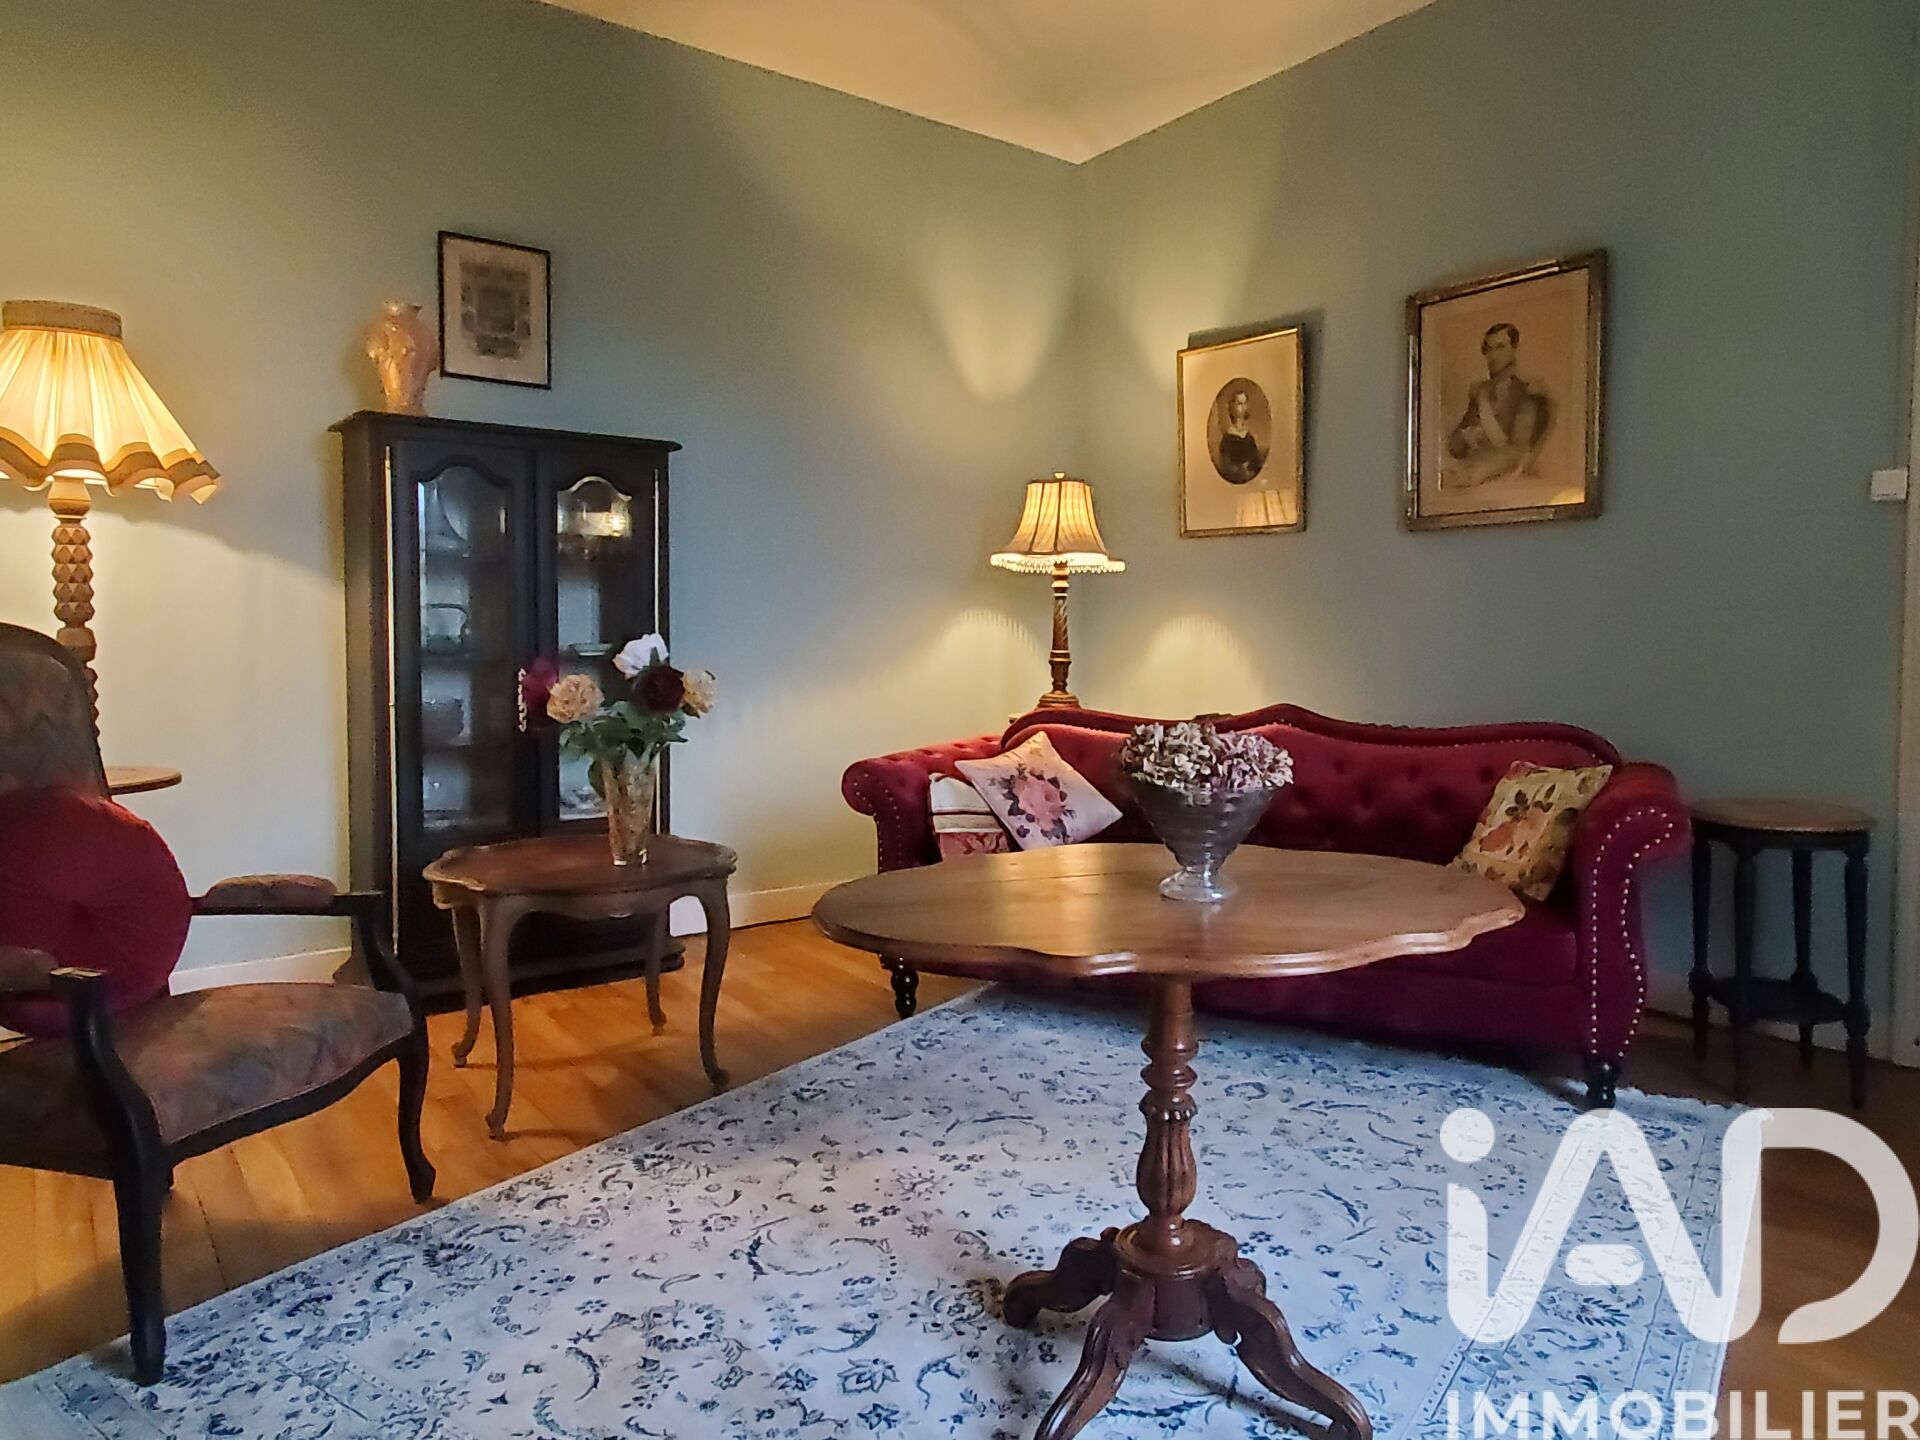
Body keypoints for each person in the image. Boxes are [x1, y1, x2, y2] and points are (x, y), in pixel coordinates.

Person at [1443, 322, 1551, 487]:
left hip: (1512, 483)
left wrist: (1477, 472)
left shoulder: (1529, 393)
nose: (1493, 355)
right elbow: (1454, 447)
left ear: (1513, 349)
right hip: (1473, 480)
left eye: (1500, 347)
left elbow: (1517, 454)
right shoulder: (1480, 393)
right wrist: (1466, 437)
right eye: (1489, 349)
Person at [1214, 386, 1266, 485]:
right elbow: (1226, 467)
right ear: (1232, 406)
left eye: (1244, 403)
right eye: (1239, 404)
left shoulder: (1250, 437)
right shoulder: (1228, 438)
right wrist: (1241, 470)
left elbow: (1256, 462)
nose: (1242, 407)